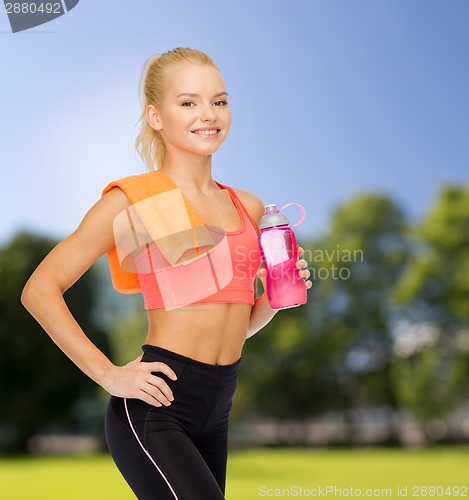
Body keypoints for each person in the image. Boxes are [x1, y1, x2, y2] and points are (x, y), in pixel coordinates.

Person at [21, 47, 312, 500]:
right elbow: (40, 289)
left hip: (219, 408)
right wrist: (109, 374)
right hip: (157, 406)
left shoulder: (248, 207)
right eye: (188, 102)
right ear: (156, 117)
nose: (208, 114)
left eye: (219, 100)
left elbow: (236, 323)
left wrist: (273, 300)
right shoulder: (133, 201)